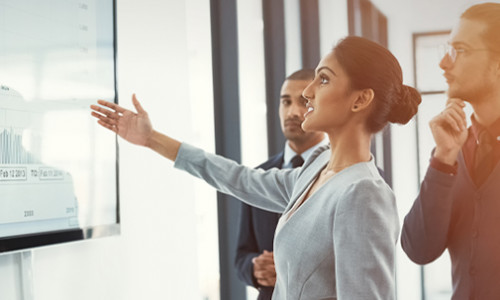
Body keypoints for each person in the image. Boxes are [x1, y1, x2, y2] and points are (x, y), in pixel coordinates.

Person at [90, 36, 421, 299]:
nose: (306, 93)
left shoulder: (364, 194)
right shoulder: (318, 166)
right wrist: (151, 139)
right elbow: (240, 179)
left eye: (322, 80)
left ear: (360, 100)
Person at [401, 3, 500, 299]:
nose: (444, 62)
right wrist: (442, 161)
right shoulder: (451, 151)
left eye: (460, 49)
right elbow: (418, 249)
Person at [234, 69, 327, 300]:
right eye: (286, 102)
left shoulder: (348, 174)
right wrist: (254, 268)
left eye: (304, 102)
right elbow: (241, 255)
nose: (293, 112)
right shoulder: (259, 175)